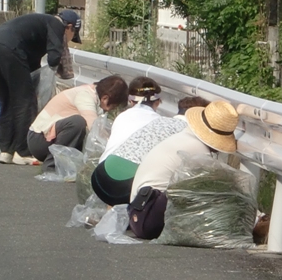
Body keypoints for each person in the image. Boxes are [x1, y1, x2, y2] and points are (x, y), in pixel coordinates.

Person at [127, 100, 239, 240]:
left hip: (138, 212)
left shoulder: (183, 137)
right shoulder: (198, 150)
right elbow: (217, 189)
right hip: (149, 217)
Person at [0, 11, 82, 166]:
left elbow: (32, 66)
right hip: (10, 48)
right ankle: (22, 152)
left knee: (7, 101)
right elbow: (54, 57)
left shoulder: (38, 26)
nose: (69, 41)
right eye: (73, 35)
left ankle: (6, 150)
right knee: (26, 102)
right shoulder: (56, 24)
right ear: (69, 27)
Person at [27, 75, 129, 172]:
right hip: (38, 139)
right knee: (78, 123)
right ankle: (51, 165)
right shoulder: (85, 95)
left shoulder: (95, 97)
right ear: (105, 98)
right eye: (114, 105)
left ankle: (67, 166)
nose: (113, 109)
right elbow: (94, 127)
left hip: (47, 139)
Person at [90, 77, 164, 206]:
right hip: (130, 188)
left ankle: (111, 210)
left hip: (99, 179)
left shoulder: (121, 117)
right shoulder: (160, 122)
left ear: (130, 101)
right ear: (157, 102)